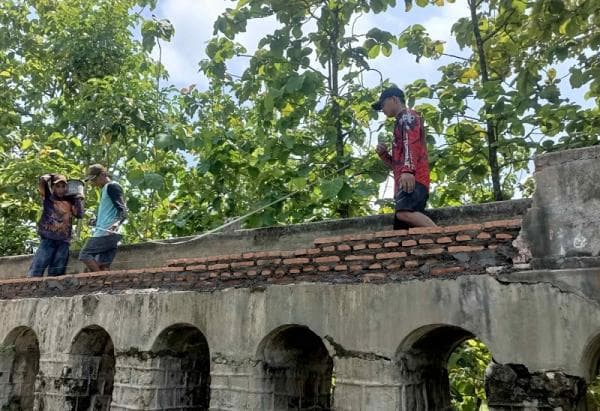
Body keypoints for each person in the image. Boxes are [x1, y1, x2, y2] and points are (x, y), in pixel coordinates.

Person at [373, 86, 436, 228]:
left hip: (414, 178)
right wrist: (383, 155)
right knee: (402, 229)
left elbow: (411, 144)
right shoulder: (400, 121)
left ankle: (444, 237)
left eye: (383, 105)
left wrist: (408, 171)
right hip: (407, 179)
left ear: (394, 99)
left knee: (404, 213)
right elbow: (396, 164)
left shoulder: (408, 116)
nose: (382, 110)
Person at [28, 173, 84, 277]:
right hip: (48, 238)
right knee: (38, 267)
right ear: (53, 187)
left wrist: (78, 198)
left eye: (63, 186)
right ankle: (31, 287)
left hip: (64, 241)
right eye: (58, 186)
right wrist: (51, 175)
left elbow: (79, 215)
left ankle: (53, 290)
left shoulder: (70, 200)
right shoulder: (48, 197)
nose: (61, 189)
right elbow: (43, 180)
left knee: (57, 270)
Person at [79, 164, 128, 271]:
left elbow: (123, 210)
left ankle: (99, 279)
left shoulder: (112, 187)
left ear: (103, 174)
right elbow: (110, 211)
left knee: (85, 254)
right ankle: (106, 283)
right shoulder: (106, 189)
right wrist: (96, 221)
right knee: (103, 264)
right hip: (111, 232)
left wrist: (116, 224)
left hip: (107, 231)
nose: (93, 183)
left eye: (94, 179)